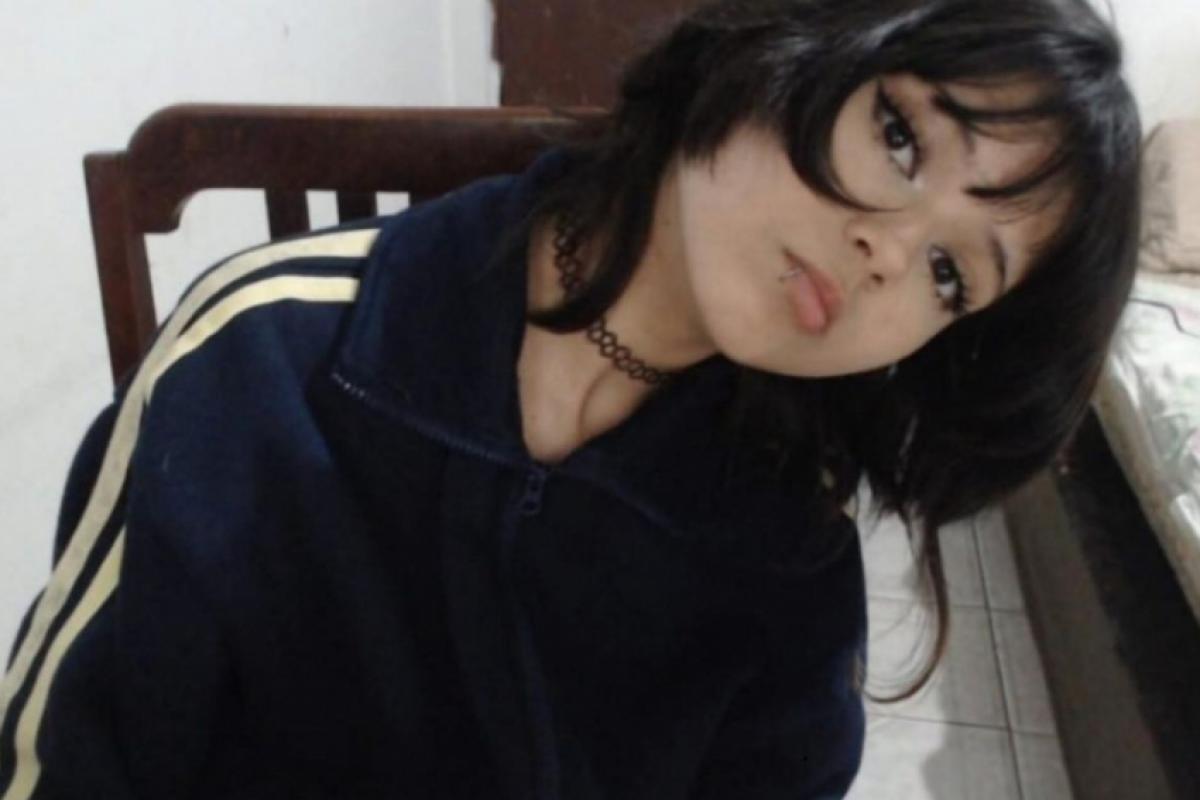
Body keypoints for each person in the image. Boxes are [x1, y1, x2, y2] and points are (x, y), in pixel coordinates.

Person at [0, 0, 1140, 797]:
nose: (888, 253)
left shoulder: (785, 572)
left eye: (952, 274)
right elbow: (63, 757)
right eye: (899, 134)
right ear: (793, 36)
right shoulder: (266, 357)